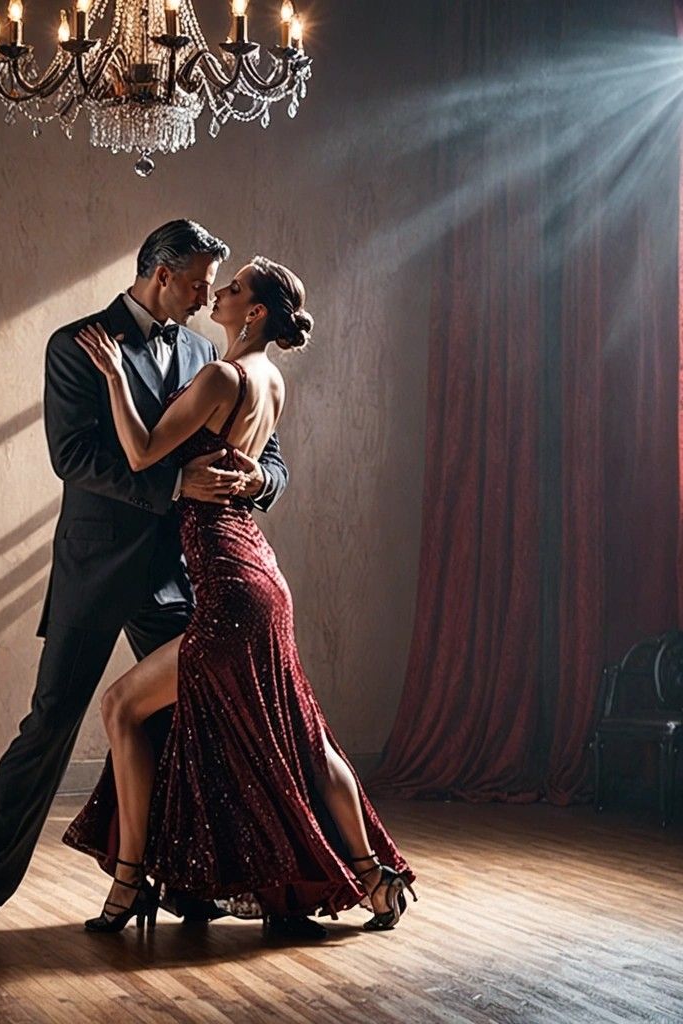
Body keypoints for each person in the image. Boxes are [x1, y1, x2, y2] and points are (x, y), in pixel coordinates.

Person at [0, 221, 289, 952]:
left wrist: (264, 480)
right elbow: (74, 458)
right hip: (94, 572)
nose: (202, 297)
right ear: (160, 274)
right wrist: (172, 481)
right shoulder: (76, 344)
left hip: (183, 574)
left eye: (211, 286)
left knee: (200, 726)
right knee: (49, 728)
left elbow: (267, 447)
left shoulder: (200, 351)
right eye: (195, 284)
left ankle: (186, 881)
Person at [64, 256, 416, 939]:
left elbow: (140, 454)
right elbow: (256, 469)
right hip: (258, 573)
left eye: (229, 289)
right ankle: (377, 878)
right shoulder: (269, 379)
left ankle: (130, 881)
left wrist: (113, 376)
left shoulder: (223, 375)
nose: (215, 294)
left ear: (253, 312)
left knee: (119, 708)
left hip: (229, 584)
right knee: (301, 735)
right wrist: (253, 482)